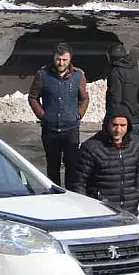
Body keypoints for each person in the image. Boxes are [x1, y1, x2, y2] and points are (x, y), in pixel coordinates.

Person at [27, 42, 89, 188]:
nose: (61, 63)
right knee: (52, 165)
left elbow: (84, 98)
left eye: (64, 60)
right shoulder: (43, 75)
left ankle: (70, 194)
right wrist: (43, 116)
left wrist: (78, 114)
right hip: (50, 130)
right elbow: (32, 97)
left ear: (70, 59)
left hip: (70, 129)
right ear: (54, 57)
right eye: (58, 59)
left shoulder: (78, 75)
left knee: (72, 165)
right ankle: (55, 194)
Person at [70, 115, 139, 215]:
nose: (118, 130)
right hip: (101, 212)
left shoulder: (136, 144)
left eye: (122, 125)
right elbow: (78, 183)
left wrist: (138, 193)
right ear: (107, 125)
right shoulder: (91, 147)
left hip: (130, 211)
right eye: (114, 125)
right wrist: (87, 206)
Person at [105, 42, 139, 137]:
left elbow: (114, 98)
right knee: (134, 148)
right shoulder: (136, 69)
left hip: (122, 121)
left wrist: (110, 118)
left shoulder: (116, 72)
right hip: (138, 118)